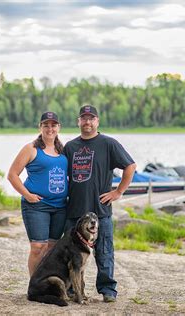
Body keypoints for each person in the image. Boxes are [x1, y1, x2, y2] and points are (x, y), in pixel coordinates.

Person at [63, 104, 136, 303]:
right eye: (84, 118)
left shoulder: (108, 144)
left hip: (100, 210)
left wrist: (118, 191)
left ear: (97, 121)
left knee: (104, 251)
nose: (87, 122)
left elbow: (130, 166)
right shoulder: (70, 147)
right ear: (78, 121)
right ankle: (71, 289)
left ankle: (107, 290)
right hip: (74, 211)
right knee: (72, 254)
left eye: (91, 118)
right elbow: (60, 172)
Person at [7, 111, 68, 277]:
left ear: (59, 127)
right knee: (38, 247)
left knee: (52, 247)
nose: (50, 128)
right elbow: (12, 175)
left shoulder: (64, 150)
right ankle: (34, 285)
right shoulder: (31, 148)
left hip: (60, 207)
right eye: (46, 125)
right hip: (37, 206)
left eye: (53, 125)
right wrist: (27, 195)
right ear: (40, 127)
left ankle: (46, 282)